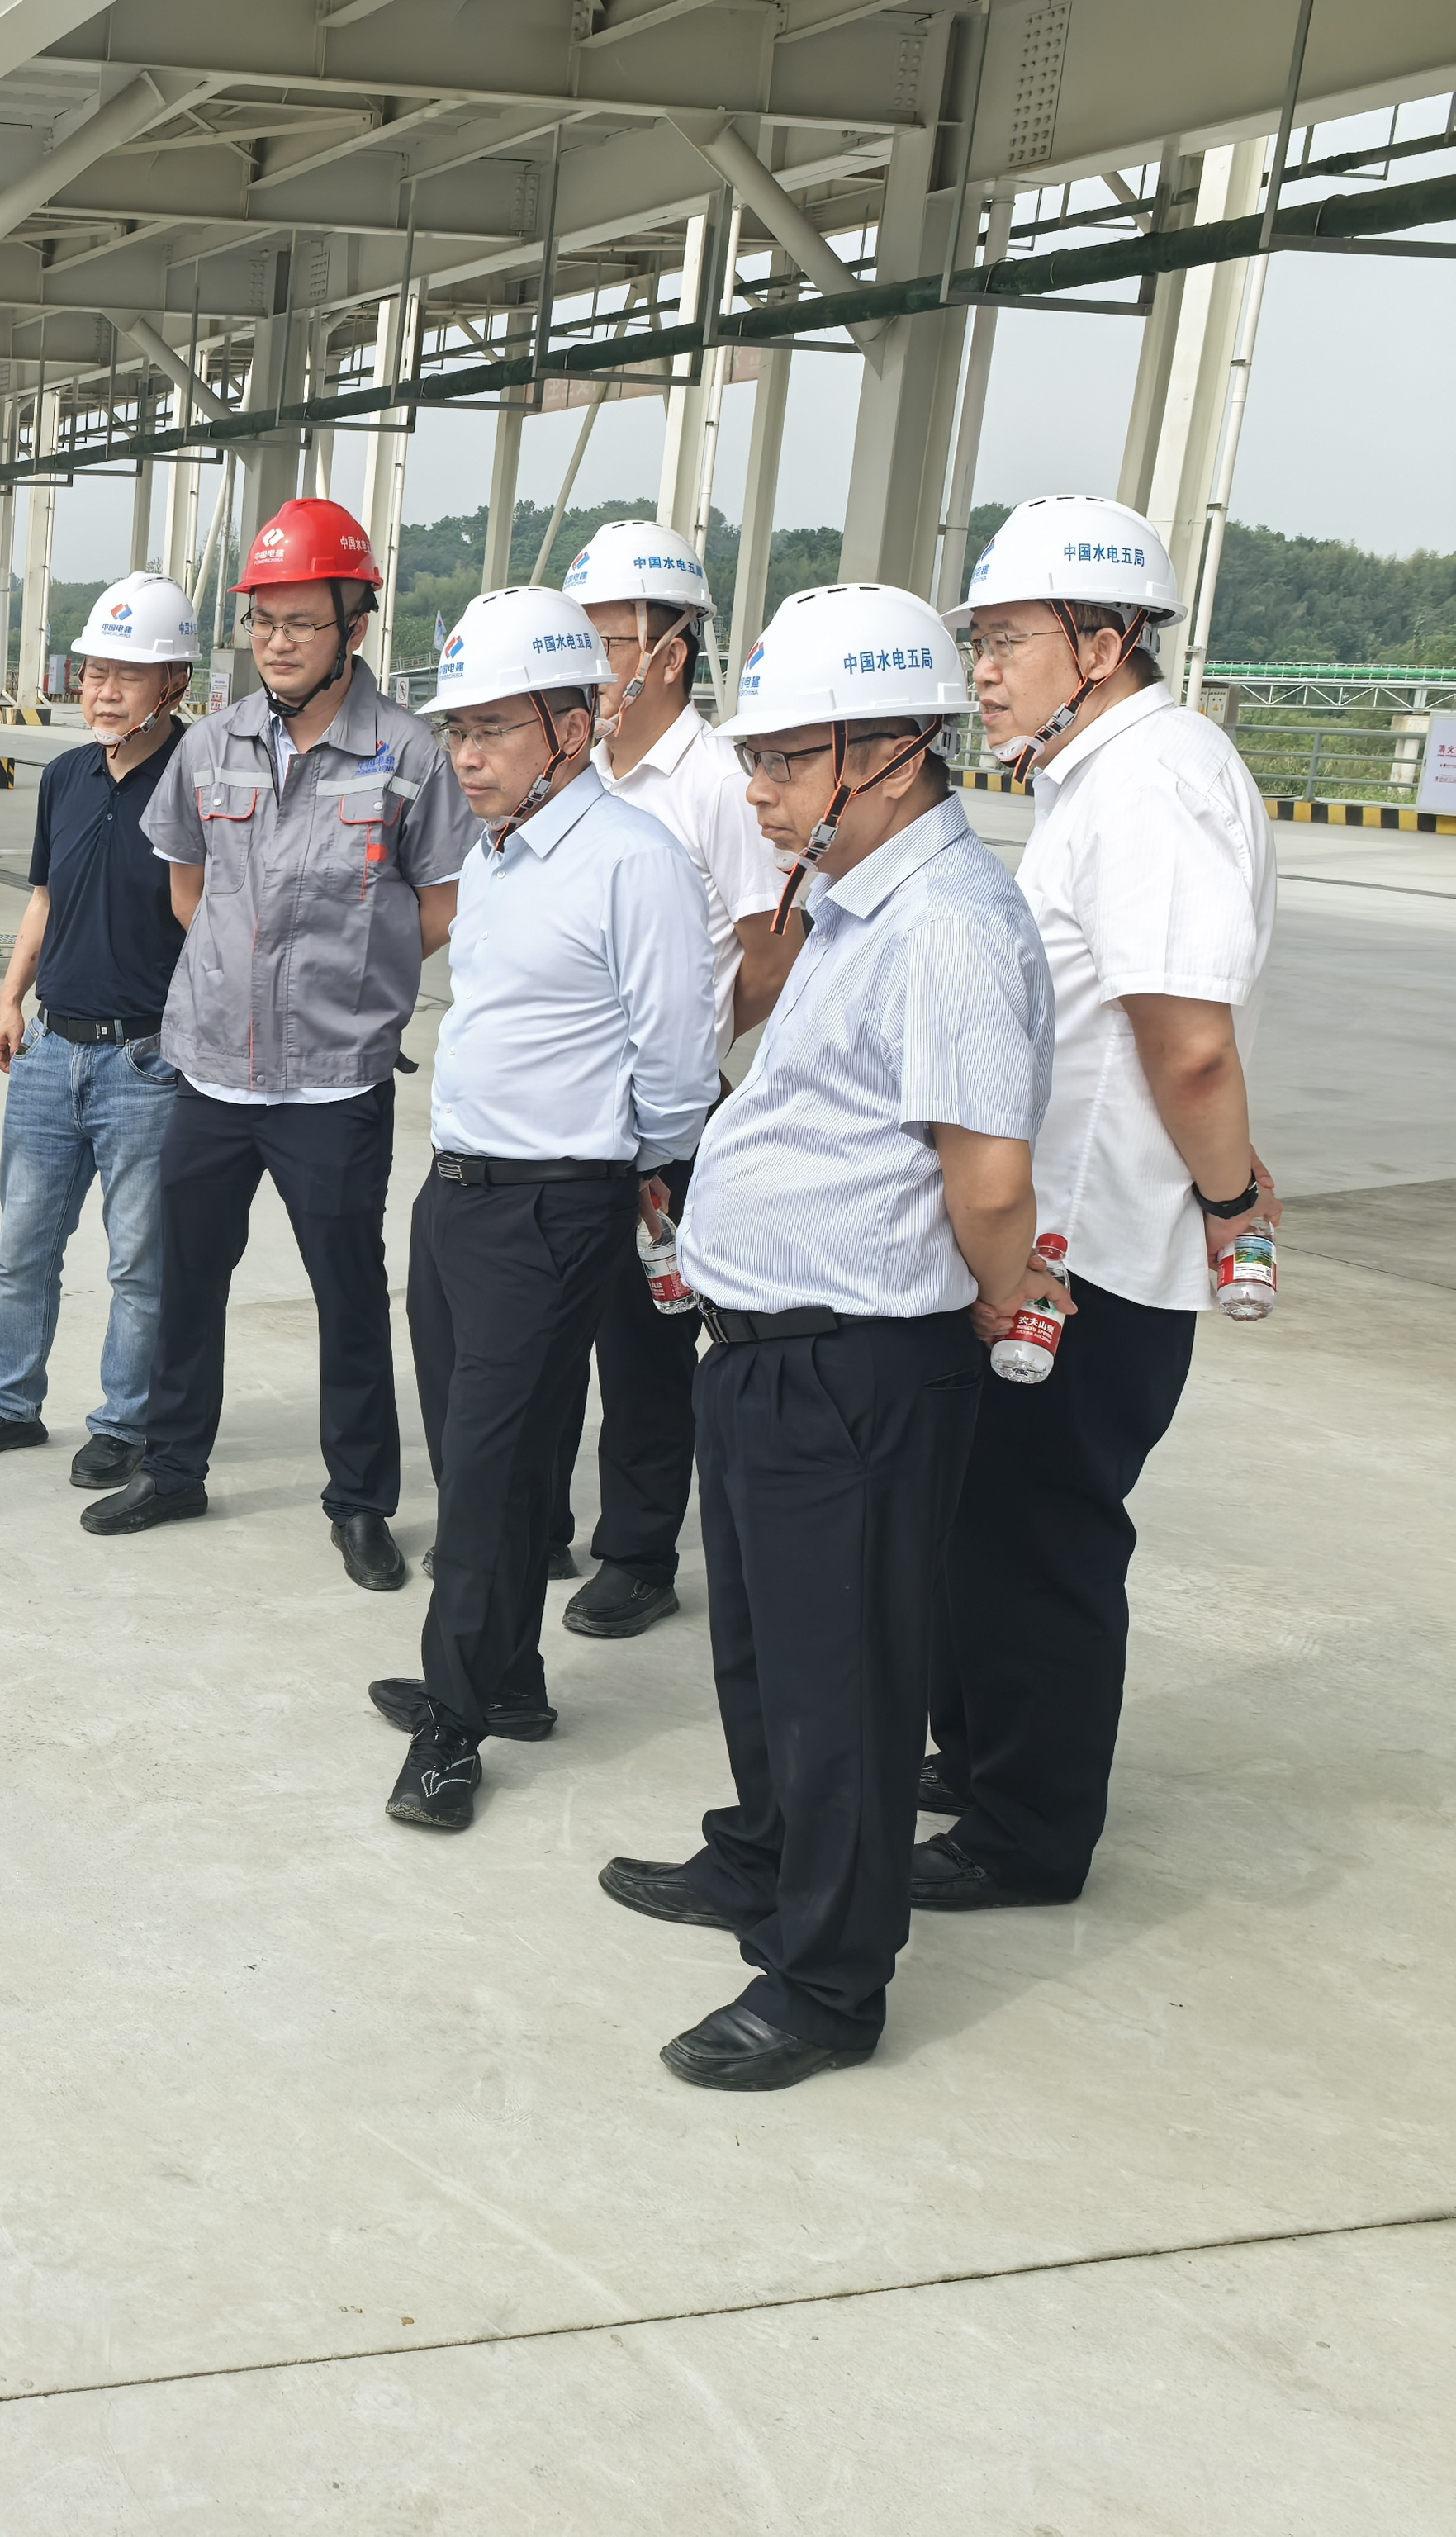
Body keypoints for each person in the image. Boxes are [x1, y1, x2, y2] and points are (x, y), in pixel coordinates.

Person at [592, 584, 1055, 2089]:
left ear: (893, 755)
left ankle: (827, 1981)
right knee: (764, 1649)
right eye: (757, 756)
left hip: (855, 1362)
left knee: (841, 1681)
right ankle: (762, 1853)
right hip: (765, 1350)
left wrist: (1003, 1296)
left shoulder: (951, 927)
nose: (761, 788)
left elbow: (990, 1178)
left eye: (788, 759)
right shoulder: (854, 901)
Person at [921, 497, 1279, 1909]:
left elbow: (1186, 1042)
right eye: (979, 641)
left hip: (1097, 1248)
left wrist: (1232, 1197)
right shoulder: (1096, 776)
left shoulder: (1152, 784)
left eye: (1008, 639)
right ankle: (984, 1758)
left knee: (1041, 1536)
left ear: (1103, 642)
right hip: (1053, 1230)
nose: (983, 670)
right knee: (988, 1519)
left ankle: (1028, 1832)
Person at [358, 590, 720, 1830]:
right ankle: (506, 1675)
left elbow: (677, 1058)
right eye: (457, 731)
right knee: (479, 1459)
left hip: (555, 1205)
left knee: (489, 1472)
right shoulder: (498, 853)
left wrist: (637, 1171)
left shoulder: (634, 861)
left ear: (573, 726)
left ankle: (452, 1732)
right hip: (458, 1193)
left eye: (494, 730)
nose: (467, 757)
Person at [86, 498, 483, 1591]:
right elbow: (188, 889)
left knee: (349, 1298)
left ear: (355, 625)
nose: (277, 642)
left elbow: (442, 902)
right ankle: (174, 1467)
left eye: (302, 622)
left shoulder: (408, 754)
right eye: (263, 622)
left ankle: (359, 1503)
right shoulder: (211, 744)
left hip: (333, 1083)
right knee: (186, 1281)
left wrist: (357, 980)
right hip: (212, 1071)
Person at [528, 521, 801, 1642]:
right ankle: (535, 1523)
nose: (584, 662)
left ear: (669, 653)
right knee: (545, 1324)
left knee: (647, 1341)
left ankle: (637, 1553)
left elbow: (773, 942)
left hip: (666, 1122)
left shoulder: (715, 785)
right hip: (565, 1111)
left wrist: (692, 1052)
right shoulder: (577, 773)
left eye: (602, 640)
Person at [0, 572, 202, 1489]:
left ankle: (124, 1422)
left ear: (173, 682)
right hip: (52, 1049)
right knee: (23, 1249)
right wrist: (10, 1000)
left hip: (147, 1061)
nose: (103, 692)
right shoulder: (66, 776)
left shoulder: (197, 780)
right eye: (93, 673)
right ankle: (11, 1404)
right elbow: (45, 898)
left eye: (127, 675)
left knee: (139, 1264)